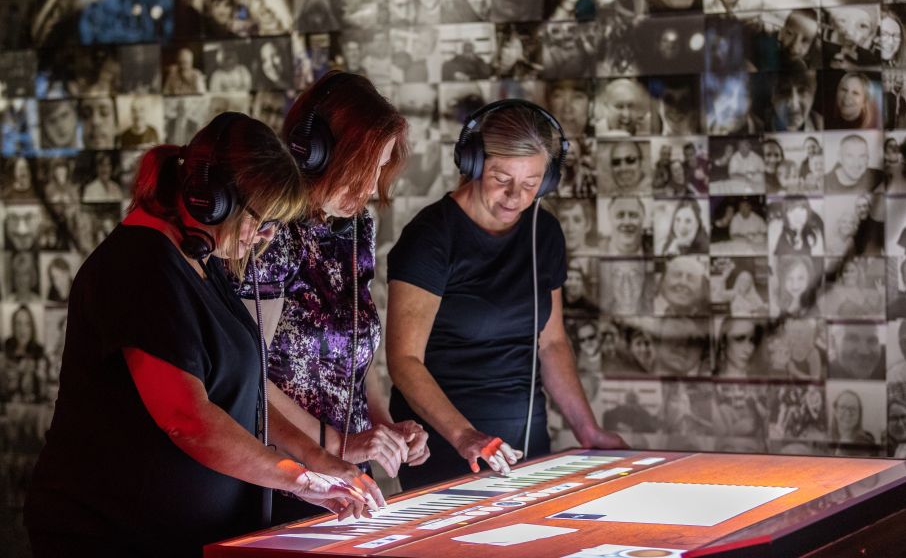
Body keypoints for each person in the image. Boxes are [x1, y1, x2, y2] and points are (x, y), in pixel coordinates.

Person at [25, 112, 380, 557]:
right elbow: (188, 420)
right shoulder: (140, 267)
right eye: (262, 222)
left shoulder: (203, 263)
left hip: (183, 534)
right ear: (213, 199)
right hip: (113, 533)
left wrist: (320, 460)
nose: (264, 239)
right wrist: (300, 478)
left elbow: (248, 397)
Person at [386, 100, 626, 490]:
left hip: (525, 443)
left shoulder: (542, 233)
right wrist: (465, 435)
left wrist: (589, 430)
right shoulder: (430, 237)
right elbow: (404, 361)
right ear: (475, 163)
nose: (515, 196)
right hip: (448, 446)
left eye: (531, 184)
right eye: (501, 178)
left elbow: (552, 344)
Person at [232, 72, 429, 523]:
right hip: (283, 473)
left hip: (346, 472)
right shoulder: (271, 231)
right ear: (313, 152)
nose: (369, 187)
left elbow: (358, 345)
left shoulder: (359, 226)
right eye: (361, 168)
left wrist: (383, 425)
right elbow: (250, 377)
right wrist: (337, 443)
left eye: (379, 168)